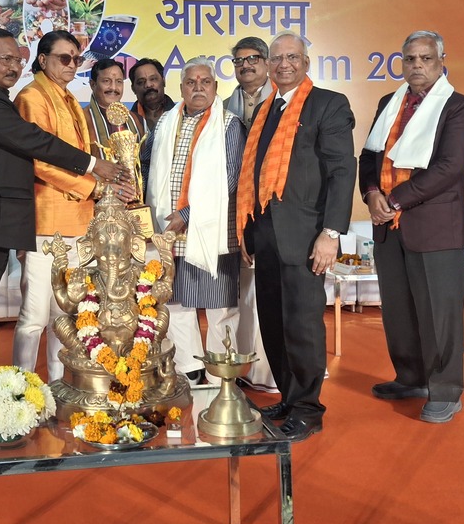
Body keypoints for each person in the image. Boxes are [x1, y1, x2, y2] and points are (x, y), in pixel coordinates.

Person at [0, 27, 122, 424]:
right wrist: (93, 168)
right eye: (4, 59)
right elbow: (31, 140)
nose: (12, 67)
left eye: (16, 60)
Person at [236, 32, 356, 438]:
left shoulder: (328, 104)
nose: (284, 64)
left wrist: (331, 233)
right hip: (266, 235)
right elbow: (254, 175)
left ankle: (308, 408)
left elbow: (342, 171)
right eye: (277, 58)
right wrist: (248, 230)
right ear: (268, 65)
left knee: (302, 326)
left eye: (292, 57)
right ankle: (288, 397)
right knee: (273, 322)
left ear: (305, 62)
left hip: (307, 237)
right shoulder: (265, 109)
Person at [359, 30, 464, 424]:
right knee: (399, 310)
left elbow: (450, 167)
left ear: (442, 61)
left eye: (426, 58)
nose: (417, 66)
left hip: (434, 226)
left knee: (439, 313)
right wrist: (371, 193)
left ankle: (446, 391)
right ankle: (411, 377)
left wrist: (393, 200)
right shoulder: (388, 103)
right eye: (410, 59)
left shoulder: (457, 106)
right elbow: (369, 157)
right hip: (388, 226)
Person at [12, 32, 136, 382]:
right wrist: (96, 185)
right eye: (64, 58)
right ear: (42, 60)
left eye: (76, 59)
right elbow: (39, 162)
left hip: (79, 222)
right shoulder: (32, 97)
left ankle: (58, 387)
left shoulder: (68, 98)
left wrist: (111, 179)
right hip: (46, 223)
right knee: (34, 317)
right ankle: (21, 391)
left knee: (65, 315)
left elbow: (80, 159)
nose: (71, 65)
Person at [147, 57, 246, 385]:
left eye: (205, 82)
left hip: (212, 229)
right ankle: (188, 369)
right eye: (191, 82)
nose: (198, 88)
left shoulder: (229, 124)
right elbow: (146, 165)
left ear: (215, 87)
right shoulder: (166, 121)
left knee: (220, 306)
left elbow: (229, 179)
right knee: (175, 301)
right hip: (169, 230)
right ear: (181, 89)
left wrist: (187, 215)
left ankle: (221, 376)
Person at [222, 37, 277, 392]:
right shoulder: (224, 107)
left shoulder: (285, 100)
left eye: (253, 58)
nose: (246, 66)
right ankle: (243, 367)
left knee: (272, 293)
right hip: (236, 212)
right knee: (242, 293)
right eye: (239, 61)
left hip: (274, 209)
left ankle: (272, 373)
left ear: (268, 62)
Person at [84, 57, 145, 158]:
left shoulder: (137, 121)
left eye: (119, 81)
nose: (113, 87)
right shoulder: (80, 119)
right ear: (93, 84)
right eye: (106, 81)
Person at [128, 57, 175, 133]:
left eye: (153, 79)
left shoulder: (181, 117)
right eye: (141, 82)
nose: (148, 85)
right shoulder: (126, 124)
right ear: (133, 89)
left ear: (163, 81)